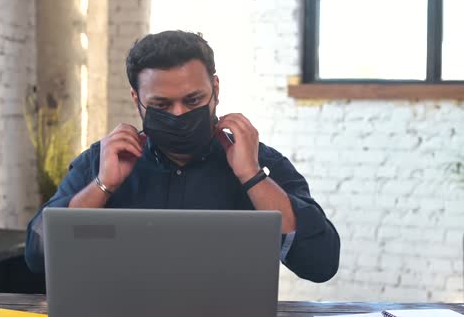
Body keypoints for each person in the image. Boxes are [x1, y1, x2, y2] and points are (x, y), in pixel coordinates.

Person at [25, 30, 340, 282]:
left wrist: (252, 176)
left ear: (215, 90)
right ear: (137, 100)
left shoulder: (260, 162)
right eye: (161, 105)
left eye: (193, 100)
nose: (179, 114)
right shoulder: (102, 161)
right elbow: (37, 255)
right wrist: (102, 186)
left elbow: (320, 264)